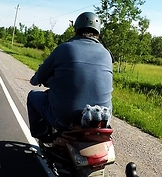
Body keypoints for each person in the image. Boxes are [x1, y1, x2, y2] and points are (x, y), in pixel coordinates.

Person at [27, 11, 113, 139]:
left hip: (66, 119)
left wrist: (35, 80)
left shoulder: (64, 48)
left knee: (33, 96)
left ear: (76, 29)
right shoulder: (107, 54)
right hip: (102, 119)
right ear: (98, 32)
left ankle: (42, 136)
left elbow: (41, 75)